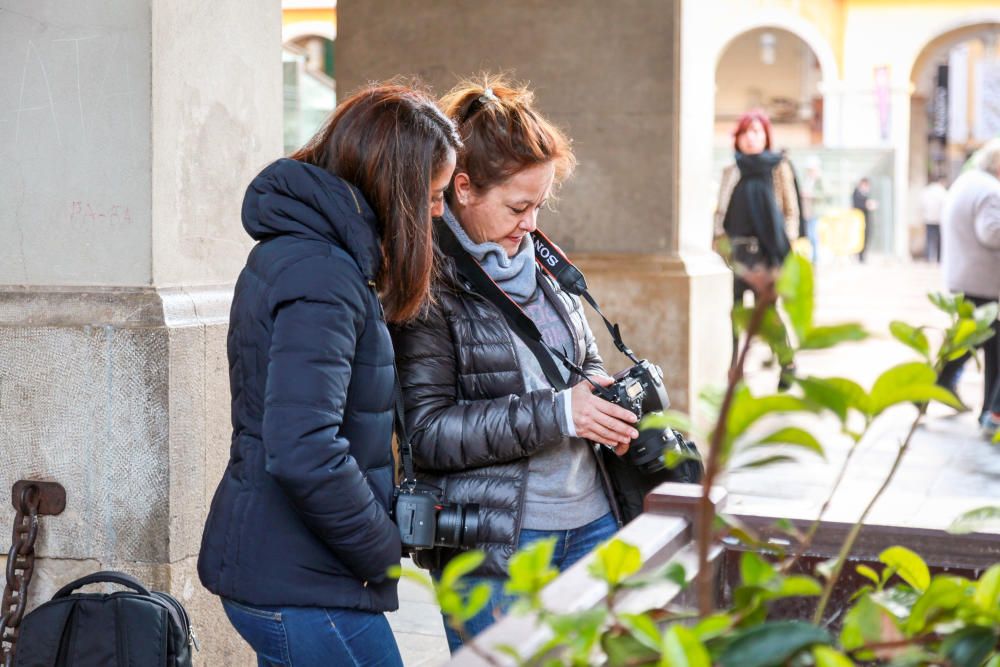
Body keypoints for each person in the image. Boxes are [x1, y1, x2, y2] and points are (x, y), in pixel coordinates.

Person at [197, 83, 461, 666]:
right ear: (397, 187)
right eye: (434, 194)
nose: (439, 212)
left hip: (285, 573)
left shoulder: (306, 255)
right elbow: (303, 447)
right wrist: (382, 549)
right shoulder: (322, 274)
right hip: (302, 585)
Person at [392, 75, 639, 652]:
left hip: (595, 520)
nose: (531, 223)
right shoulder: (425, 286)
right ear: (462, 188)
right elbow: (427, 434)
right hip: (499, 544)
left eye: (539, 205)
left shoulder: (543, 262)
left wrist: (596, 389)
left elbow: (578, 360)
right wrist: (559, 413)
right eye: (518, 206)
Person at [714, 109, 799, 386]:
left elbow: (790, 211)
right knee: (736, 311)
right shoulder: (732, 170)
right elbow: (721, 212)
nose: (750, 138)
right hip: (737, 253)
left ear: (766, 136)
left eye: (757, 131)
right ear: (737, 138)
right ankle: (735, 370)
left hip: (767, 254)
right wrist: (720, 244)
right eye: (745, 132)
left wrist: (784, 247)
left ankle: (787, 363)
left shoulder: (778, 167)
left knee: (768, 312)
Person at [938, 138, 1000, 439]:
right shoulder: (990, 190)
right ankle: (990, 411)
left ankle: (937, 386)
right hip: (985, 281)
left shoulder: (968, 181)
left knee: (975, 339)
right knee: (989, 346)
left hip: (965, 276)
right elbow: (991, 233)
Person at [799, 156, 827, 264]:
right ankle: (810, 256)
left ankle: (815, 257)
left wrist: (811, 195)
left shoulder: (820, 178)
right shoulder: (806, 179)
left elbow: (824, 193)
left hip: (815, 211)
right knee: (808, 234)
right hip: (806, 211)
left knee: (813, 234)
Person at [920, 177, 948, 263]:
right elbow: (945, 205)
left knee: (929, 239)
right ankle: (939, 259)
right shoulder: (942, 191)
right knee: (940, 240)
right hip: (939, 219)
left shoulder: (927, 191)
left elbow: (922, 204)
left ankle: (928, 258)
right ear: (942, 181)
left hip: (928, 218)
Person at [852, 177, 878, 262]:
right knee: (859, 237)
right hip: (858, 220)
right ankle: (859, 255)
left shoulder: (865, 194)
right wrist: (866, 205)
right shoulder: (856, 193)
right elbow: (857, 204)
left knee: (866, 237)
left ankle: (862, 256)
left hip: (866, 220)